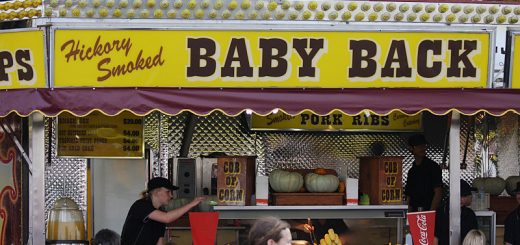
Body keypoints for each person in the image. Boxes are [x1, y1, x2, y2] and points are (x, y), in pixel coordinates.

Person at [120, 177, 204, 245]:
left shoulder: (161, 212)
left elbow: (159, 241)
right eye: (168, 192)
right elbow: (167, 218)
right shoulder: (141, 205)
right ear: (156, 192)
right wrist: (191, 204)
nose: (171, 196)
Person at [404, 134, 443, 212]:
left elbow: (438, 192)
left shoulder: (433, 167)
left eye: (424, 145)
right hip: (415, 212)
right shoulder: (412, 171)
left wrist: (431, 212)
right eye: (418, 146)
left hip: (429, 211)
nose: (422, 148)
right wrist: (407, 214)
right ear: (411, 148)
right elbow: (409, 195)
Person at [434, 180, 478, 245]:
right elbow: (435, 238)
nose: (461, 199)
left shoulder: (469, 214)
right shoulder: (440, 213)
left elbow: (474, 238)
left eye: (464, 196)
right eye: (459, 196)